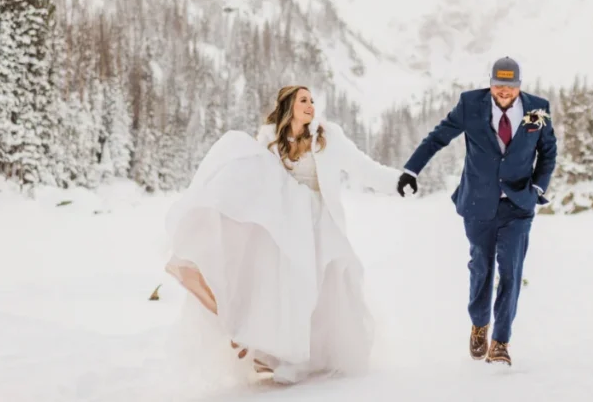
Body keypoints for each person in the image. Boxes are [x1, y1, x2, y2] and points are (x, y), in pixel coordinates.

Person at [164, 85, 401, 384]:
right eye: (304, 100)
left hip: (319, 224)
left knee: (323, 289)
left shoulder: (327, 137)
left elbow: (363, 167)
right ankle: (272, 352)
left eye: (313, 101)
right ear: (289, 105)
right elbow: (253, 178)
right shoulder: (269, 142)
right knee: (279, 289)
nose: (311, 105)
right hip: (284, 226)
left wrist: (397, 181)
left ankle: (311, 356)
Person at [396, 57, 557, 366]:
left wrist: (537, 188)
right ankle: (479, 324)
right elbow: (438, 137)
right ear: (491, 83)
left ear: (519, 86)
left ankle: (500, 342)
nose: (504, 92)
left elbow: (548, 152)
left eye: (510, 86)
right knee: (481, 267)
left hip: (518, 206)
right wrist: (411, 171)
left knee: (511, 270)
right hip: (478, 204)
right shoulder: (470, 104)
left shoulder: (538, 108)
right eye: (499, 85)